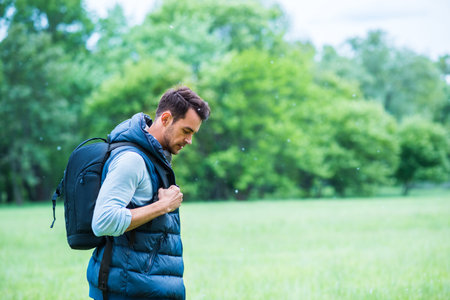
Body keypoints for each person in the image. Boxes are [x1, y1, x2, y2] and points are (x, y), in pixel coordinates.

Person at [86, 86, 210, 300]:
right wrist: (163, 206)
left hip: (143, 288)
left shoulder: (153, 157)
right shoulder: (131, 160)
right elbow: (103, 221)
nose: (189, 140)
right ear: (166, 118)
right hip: (127, 290)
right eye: (186, 131)